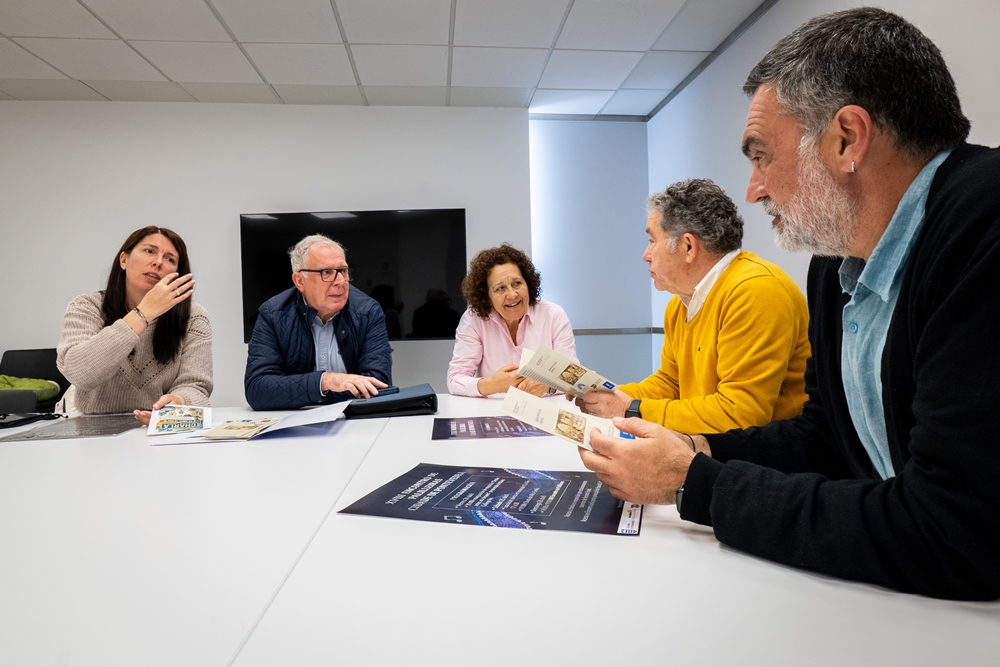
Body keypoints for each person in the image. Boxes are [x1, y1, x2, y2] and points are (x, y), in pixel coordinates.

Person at [579, 7, 1000, 600]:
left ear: (846, 138)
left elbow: (955, 531)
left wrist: (696, 484)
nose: (754, 190)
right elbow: (828, 441)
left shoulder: (985, 232)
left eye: (761, 156)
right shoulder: (834, 265)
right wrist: (698, 451)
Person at [575, 179, 810, 433]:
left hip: (771, 454)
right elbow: (670, 383)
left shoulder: (756, 291)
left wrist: (629, 408)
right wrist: (611, 395)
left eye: (652, 241)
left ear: (688, 246)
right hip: (714, 449)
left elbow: (740, 414)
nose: (646, 255)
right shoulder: (680, 304)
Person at [56, 226, 212, 424]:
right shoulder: (86, 306)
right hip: (93, 426)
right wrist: (143, 314)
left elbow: (197, 387)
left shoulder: (193, 316)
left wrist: (179, 402)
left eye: (170, 259)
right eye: (150, 251)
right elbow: (79, 373)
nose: (158, 262)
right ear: (124, 260)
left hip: (160, 426)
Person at [244, 234, 391, 410]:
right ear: (299, 281)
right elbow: (257, 389)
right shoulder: (273, 315)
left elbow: (378, 384)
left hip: (353, 418)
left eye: (343, 271)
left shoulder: (367, 311)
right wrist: (324, 382)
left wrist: (307, 393)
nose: (340, 281)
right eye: (326, 272)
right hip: (294, 421)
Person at [447, 244, 576, 397]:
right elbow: (455, 379)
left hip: (545, 407)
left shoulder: (553, 315)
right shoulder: (473, 320)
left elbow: (573, 377)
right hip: (492, 408)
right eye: (500, 288)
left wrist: (548, 386)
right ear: (486, 296)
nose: (512, 294)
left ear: (528, 283)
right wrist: (492, 385)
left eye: (517, 283)